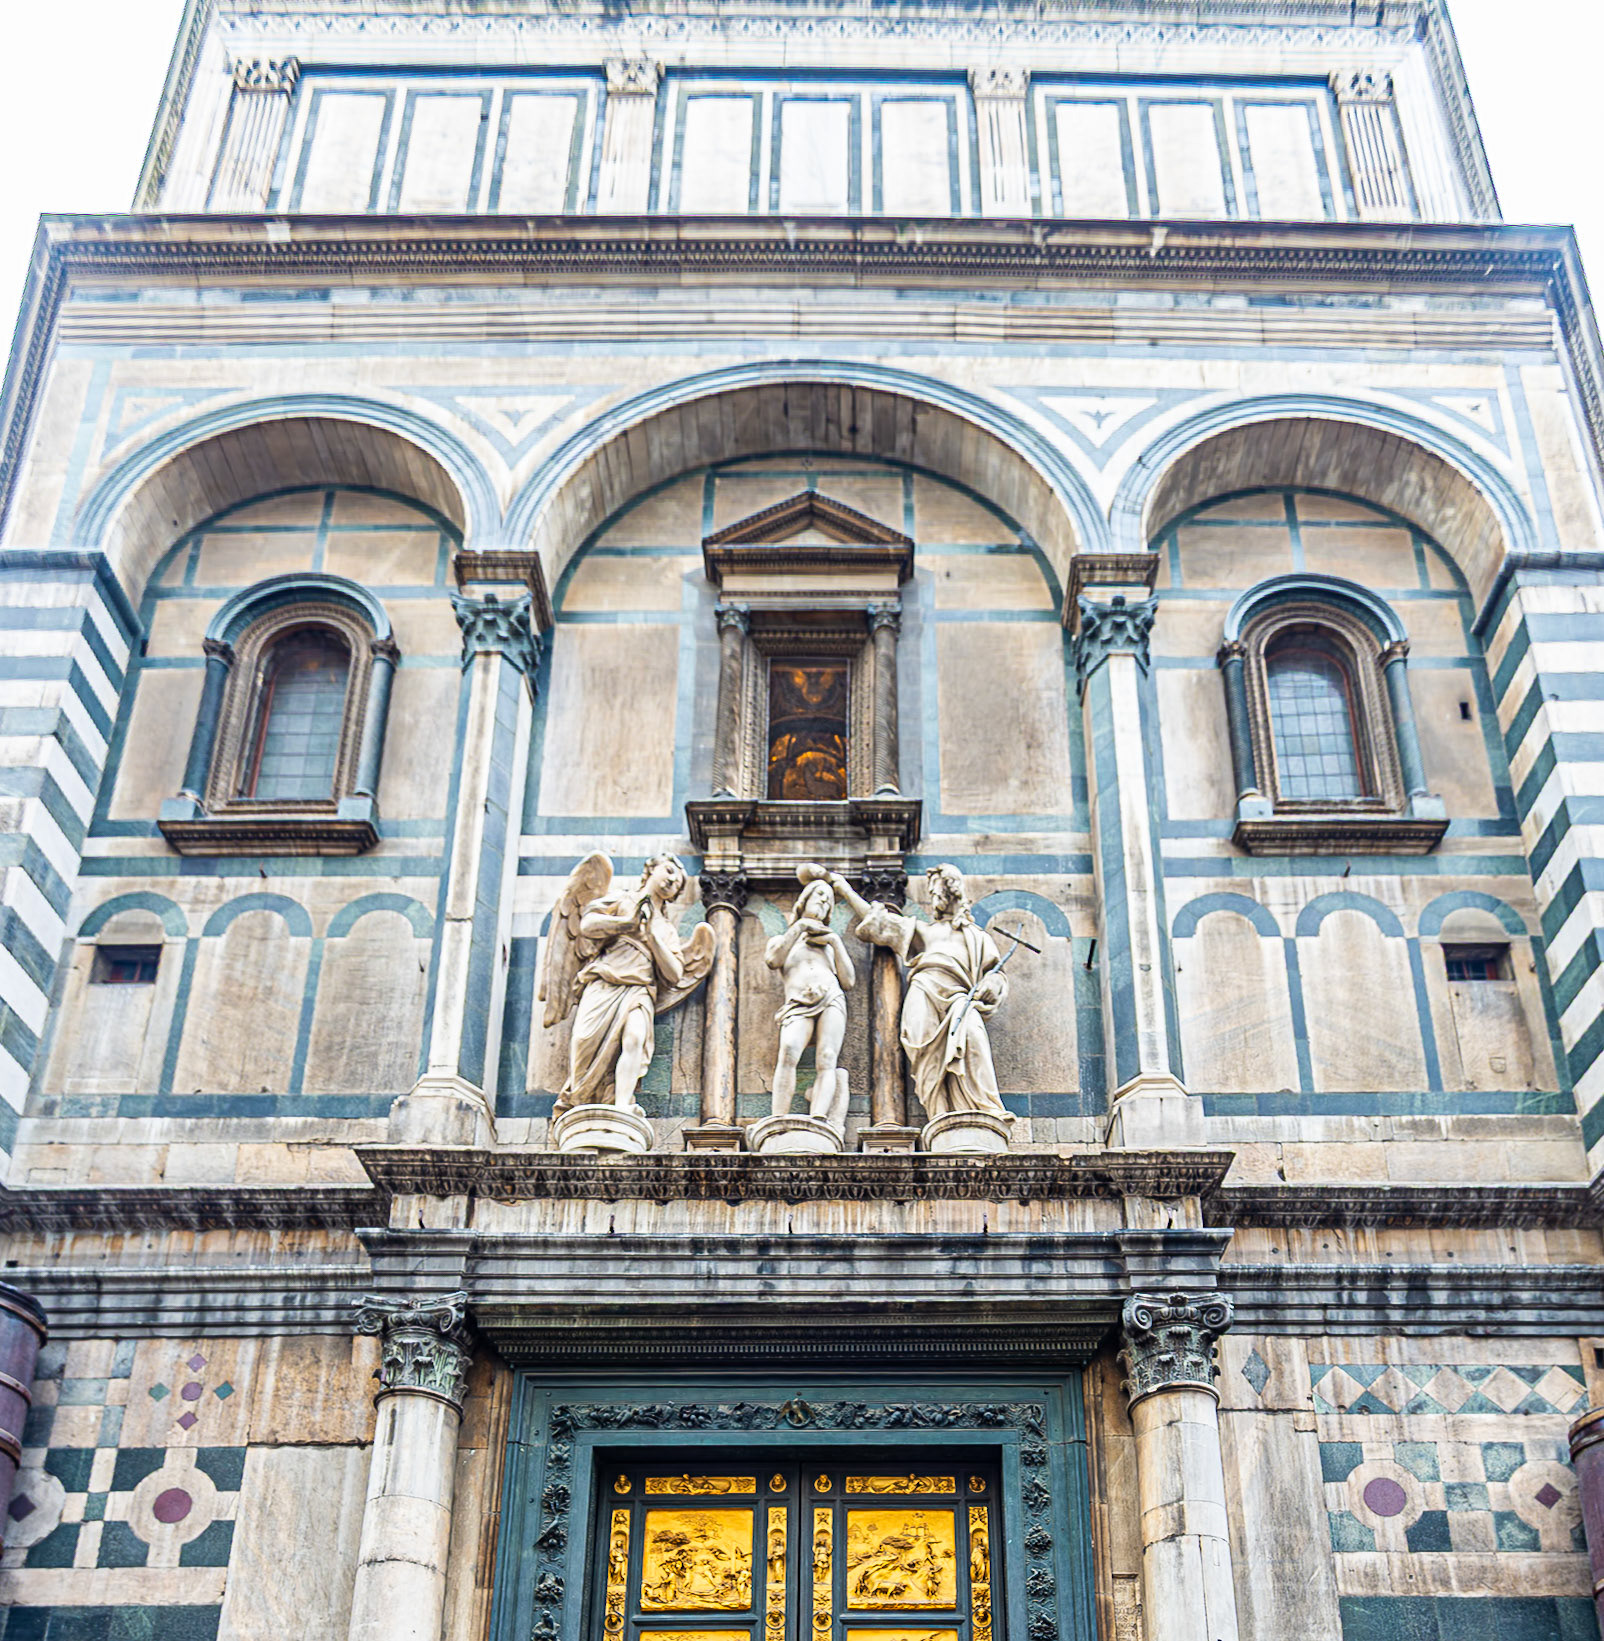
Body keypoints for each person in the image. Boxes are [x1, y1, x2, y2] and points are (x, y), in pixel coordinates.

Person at [826, 862, 1013, 1124]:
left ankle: (985, 1109)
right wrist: (844, 889)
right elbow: (880, 923)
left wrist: (993, 983)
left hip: (961, 999)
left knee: (973, 1039)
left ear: (952, 891)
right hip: (924, 992)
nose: (933, 897)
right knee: (925, 1056)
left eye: (936, 891)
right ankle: (940, 1116)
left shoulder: (977, 937)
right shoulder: (926, 931)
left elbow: (995, 973)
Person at [540, 852, 714, 1115]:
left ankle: (622, 1104)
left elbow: (675, 974)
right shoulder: (622, 900)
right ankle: (579, 1098)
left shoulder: (667, 929)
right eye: (669, 871)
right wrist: (627, 923)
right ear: (651, 869)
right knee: (584, 1039)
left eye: (678, 883)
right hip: (604, 981)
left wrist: (652, 937)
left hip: (639, 989)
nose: (672, 881)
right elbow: (587, 924)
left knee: (634, 1038)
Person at [765, 872, 856, 1131]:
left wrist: (835, 941)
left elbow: (848, 980)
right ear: (803, 901)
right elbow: (773, 960)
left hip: (831, 999)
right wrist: (800, 926)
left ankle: (819, 1117)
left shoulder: (828, 946)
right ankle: (779, 1118)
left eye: (829, 901)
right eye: (820, 895)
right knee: (789, 1050)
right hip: (797, 1003)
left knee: (827, 1057)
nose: (825, 901)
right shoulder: (783, 942)